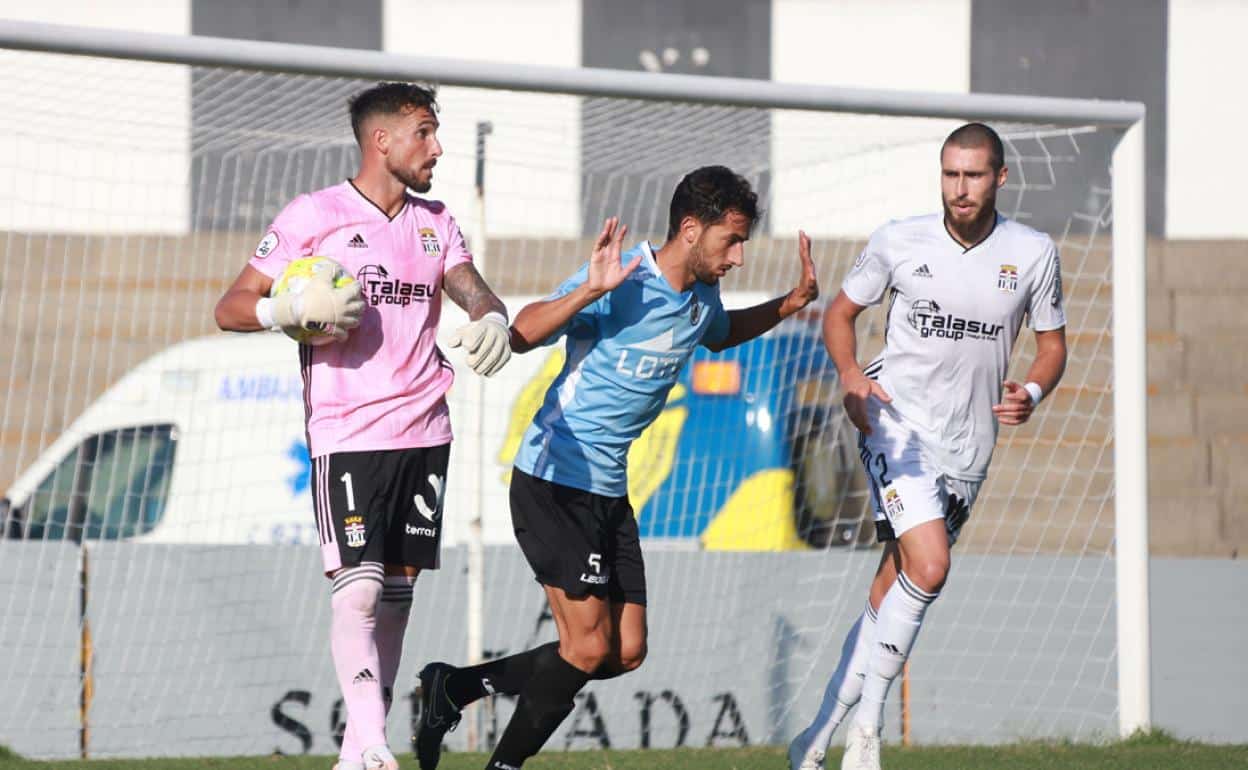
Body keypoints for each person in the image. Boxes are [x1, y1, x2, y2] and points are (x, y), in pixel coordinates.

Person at [412, 165, 819, 770]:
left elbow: (721, 332)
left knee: (624, 652)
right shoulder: (623, 279)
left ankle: (456, 688)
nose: (737, 257)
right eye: (730, 240)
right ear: (689, 229)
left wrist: (791, 302)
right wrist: (589, 291)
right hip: (555, 479)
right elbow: (522, 333)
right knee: (585, 647)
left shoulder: (699, 296)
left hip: (607, 489)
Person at [213, 82, 512, 770]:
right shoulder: (314, 215)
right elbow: (231, 305)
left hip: (426, 429)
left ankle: (357, 756)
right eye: (424, 133)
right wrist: (280, 313)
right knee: (362, 587)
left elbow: (470, 285)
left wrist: (491, 316)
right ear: (383, 141)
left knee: (399, 595)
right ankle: (376, 740)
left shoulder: (436, 221)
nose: (435, 148)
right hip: (347, 431)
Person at [786, 122, 1068, 770]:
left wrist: (1030, 388)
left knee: (899, 582)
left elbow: (1052, 346)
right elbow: (839, 314)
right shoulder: (898, 239)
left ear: (1000, 178)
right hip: (894, 420)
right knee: (932, 565)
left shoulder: (1031, 252)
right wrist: (853, 378)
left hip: (967, 444)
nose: (959, 189)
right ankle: (867, 731)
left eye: (972, 175)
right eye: (950, 174)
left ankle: (815, 739)